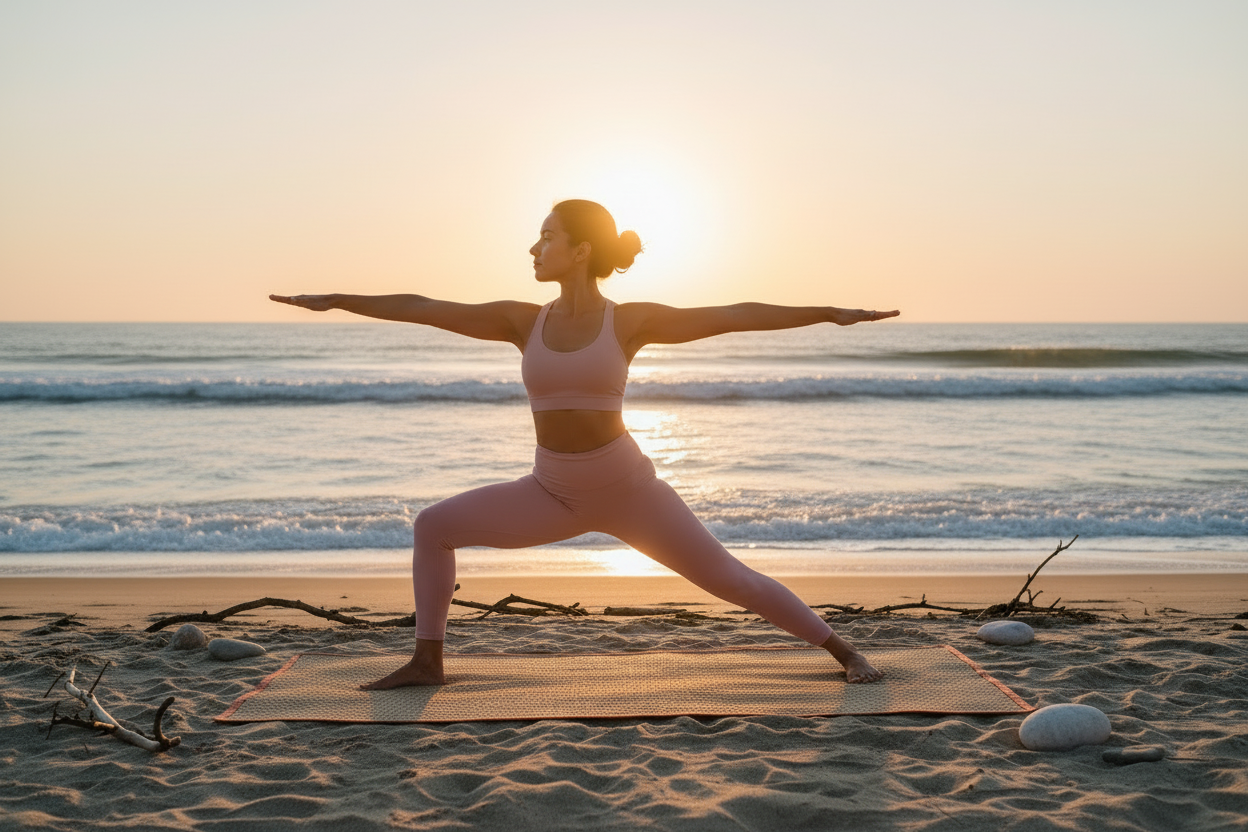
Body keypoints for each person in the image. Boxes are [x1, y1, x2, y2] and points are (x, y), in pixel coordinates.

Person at [270, 199, 898, 689]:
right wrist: (338, 301)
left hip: (628, 490)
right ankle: (427, 660)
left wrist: (827, 311)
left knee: (733, 580)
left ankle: (842, 650)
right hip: (552, 490)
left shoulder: (629, 321)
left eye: (547, 236)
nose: (535, 247)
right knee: (433, 525)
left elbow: (732, 313)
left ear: (581, 249)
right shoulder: (524, 321)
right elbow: (424, 306)